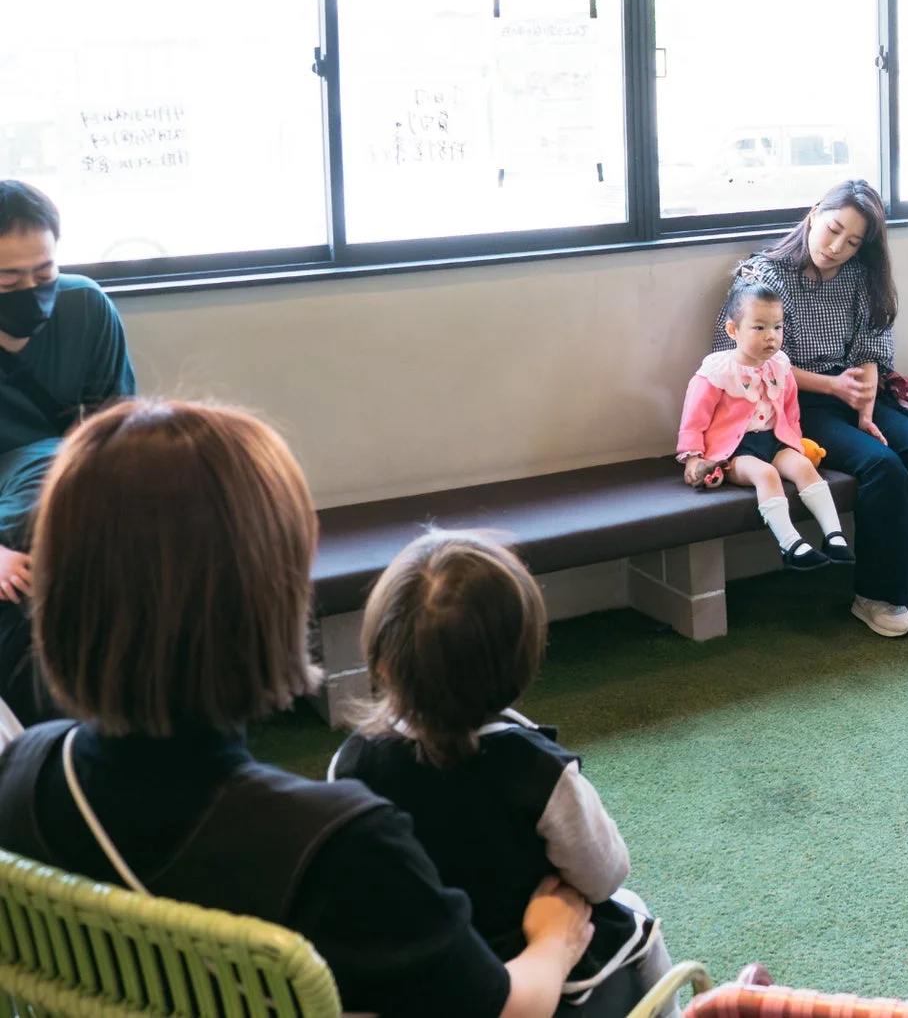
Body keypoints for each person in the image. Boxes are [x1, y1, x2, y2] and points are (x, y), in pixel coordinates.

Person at [0, 399, 594, 1018]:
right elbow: (508, 1010)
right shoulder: (337, 846)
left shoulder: (19, 775)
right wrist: (552, 943)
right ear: (263, 603)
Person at [330, 531, 675, 1017]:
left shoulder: (352, 762)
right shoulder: (536, 769)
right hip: (535, 970)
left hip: (415, 974)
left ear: (384, 661)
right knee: (636, 915)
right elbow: (605, 873)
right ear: (519, 662)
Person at [713, 180, 908, 639]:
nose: (837, 247)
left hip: (854, 394)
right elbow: (739, 358)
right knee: (883, 467)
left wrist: (865, 405)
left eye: (852, 241)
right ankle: (878, 596)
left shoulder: (861, 277)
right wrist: (832, 385)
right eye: (833, 230)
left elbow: (873, 343)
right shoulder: (763, 277)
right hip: (790, 405)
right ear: (813, 214)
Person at [0, 181, 135, 728]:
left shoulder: (85, 308)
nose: (30, 290)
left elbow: (118, 435)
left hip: (64, 488)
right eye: (8, 279)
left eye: (44, 274)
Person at [679, 285, 854, 570]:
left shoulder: (780, 365)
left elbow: (790, 411)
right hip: (734, 451)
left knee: (804, 468)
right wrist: (693, 456)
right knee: (766, 474)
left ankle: (834, 536)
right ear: (733, 330)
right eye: (759, 328)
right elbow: (694, 417)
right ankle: (790, 544)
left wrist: (796, 444)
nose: (771, 336)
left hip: (774, 441)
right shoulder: (718, 370)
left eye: (777, 327)